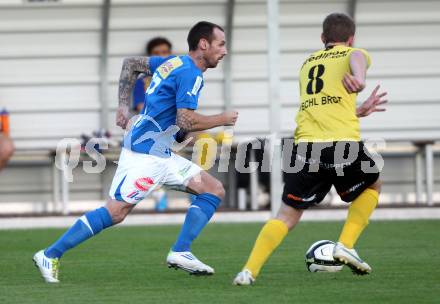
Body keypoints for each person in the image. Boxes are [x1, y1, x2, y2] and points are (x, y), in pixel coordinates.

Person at [34, 21, 238, 283]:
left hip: (160, 152)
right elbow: (186, 120)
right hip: (146, 154)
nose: (224, 51)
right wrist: (222, 118)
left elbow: (131, 64)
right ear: (203, 44)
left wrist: (122, 106)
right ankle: (50, 254)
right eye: (221, 44)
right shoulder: (191, 74)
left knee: (213, 189)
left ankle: (181, 251)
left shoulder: (174, 62)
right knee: (116, 212)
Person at [233, 13, 388, 285]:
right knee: (373, 186)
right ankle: (345, 245)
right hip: (341, 145)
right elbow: (357, 60)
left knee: (286, 216)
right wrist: (361, 80)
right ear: (351, 38)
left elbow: (326, 104)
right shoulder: (354, 53)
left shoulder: (308, 63)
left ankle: (248, 271)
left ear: (322, 38)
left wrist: (358, 111)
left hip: (304, 148)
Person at [132, 37, 173, 211]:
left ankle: (199, 194)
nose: (162, 57)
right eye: (157, 54)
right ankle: (158, 192)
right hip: (154, 128)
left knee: (204, 141)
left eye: (165, 52)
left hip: (178, 127)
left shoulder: (180, 76)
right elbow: (142, 108)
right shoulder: (142, 80)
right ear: (150, 58)